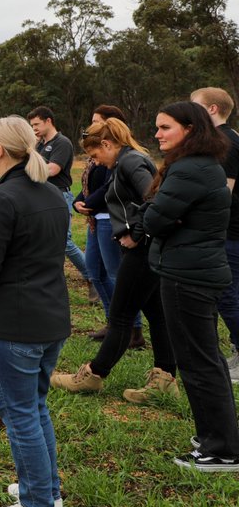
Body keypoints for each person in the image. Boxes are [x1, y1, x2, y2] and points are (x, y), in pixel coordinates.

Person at [0, 116, 70, 507]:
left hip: (14, 326)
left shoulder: (1, 199)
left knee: (20, 414)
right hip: (49, 318)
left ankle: (39, 500)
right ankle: (43, 488)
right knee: (34, 407)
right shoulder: (52, 194)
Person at [142, 101, 239, 471]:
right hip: (196, 271)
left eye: (165, 127)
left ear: (190, 129)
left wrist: (149, 217)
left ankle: (222, 450)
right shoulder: (204, 165)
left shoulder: (189, 170)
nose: (158, 134)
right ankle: (218, 435)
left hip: (188, 276)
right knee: (206, 359)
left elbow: (154, 218)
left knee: (198, 363)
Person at [51, 118, 172, 403]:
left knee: (120, 316)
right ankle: (164, 379)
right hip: (148, 250)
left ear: (107, 144)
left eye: (96, 155)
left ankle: (92, 375)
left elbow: (155, 198)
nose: (98, 162)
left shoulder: (130, 162)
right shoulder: (125, 162)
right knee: (157, 315)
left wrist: (136, 234)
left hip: (142, 251)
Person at [72, 104, 141, 345]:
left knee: (117, 274)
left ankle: (133, 328)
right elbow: (89, 185)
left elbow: (110, 188)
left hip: (110, 220)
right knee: (95, 271)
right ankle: (114, 322)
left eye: (96, 122)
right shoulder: (100, 157)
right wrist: (78, 202)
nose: (90, 127)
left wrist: (88, 202)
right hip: (95, 220)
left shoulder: (126, 160)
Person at [190, 87, 239, 382]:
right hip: (228, 230)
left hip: (229, 232)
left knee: (227, 294)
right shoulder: (224, 139)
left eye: (194, 107)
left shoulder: (226, 143)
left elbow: (223, 192)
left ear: (211, 110)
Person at [27, 107, 94, 295]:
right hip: (41, 194)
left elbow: (53, 169)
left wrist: (27, 172)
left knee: (65, 241)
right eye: (32, 126)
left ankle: (91, 277)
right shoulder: (38, 144)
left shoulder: (62, 143)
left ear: (49, 121)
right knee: (41, 239)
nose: (34, 129)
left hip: (59, 195)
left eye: (37, 125)